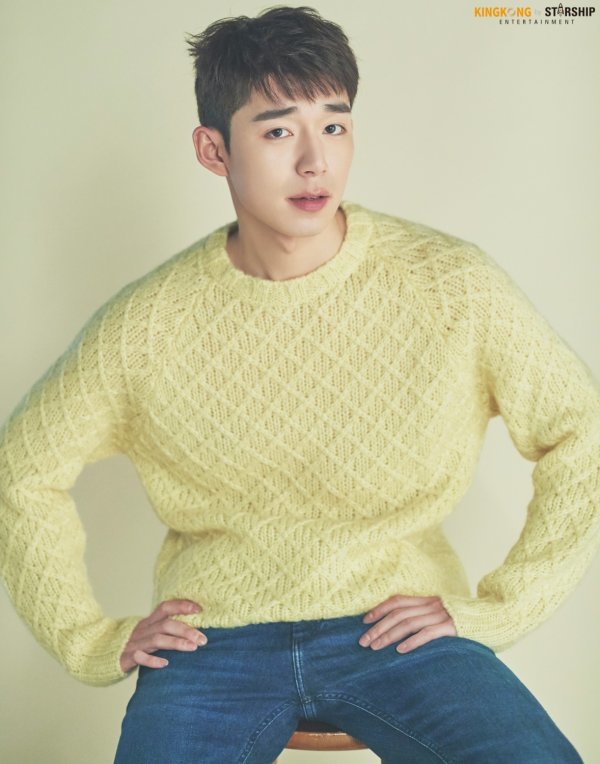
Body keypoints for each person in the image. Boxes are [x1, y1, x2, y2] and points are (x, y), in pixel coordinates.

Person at [0, 5, 597, 763]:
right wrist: (89, 639)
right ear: (213, 150)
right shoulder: (146, 323)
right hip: (213, 643)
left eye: (335, 125)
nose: (316, 161)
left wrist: (504, 606)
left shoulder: (451, 285)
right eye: (279, 131)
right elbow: (22, 468)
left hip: (398, 630)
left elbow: (580, 430)